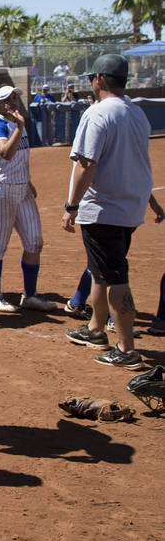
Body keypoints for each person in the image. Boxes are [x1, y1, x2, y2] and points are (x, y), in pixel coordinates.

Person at [62, 54, 156, 369]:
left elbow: (86, 164)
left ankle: (127, 349)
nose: (91, 82)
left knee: (115, 276)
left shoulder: (97, 113)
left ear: (100, 79)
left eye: (92, 78)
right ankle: (94, 330)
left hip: (103, 209)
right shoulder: (137, 113)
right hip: (128, 208)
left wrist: (71, 205)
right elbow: (140, 162)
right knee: (100, 273)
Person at [0, 85, 55, 313]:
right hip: (0, 189)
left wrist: (28, 179)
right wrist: (20, 126)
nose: (12, 102)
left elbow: (20, 158)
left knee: (35, 242)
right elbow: (6, 152)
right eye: (6, 99)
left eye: (14, 98)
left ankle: (30, 296)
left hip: (21, 188)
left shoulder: (16, 124)